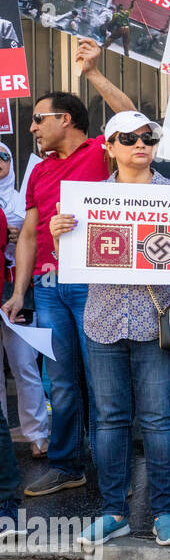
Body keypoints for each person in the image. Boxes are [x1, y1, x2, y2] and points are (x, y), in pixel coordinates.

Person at [50, 112, 170, 548]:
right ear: (109, 146)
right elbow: (72, 256)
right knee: (109, 421)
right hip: (103, 320)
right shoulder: (87, 198)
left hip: (156, 321)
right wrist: (57, 233)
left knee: (159, 420)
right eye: (129, 137)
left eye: (149, 136)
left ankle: (164, 512)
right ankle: (113, 512)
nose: (140, 143)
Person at [4, 39, 134, 497]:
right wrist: (21, 293)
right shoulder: (38, 171)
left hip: (94, 283)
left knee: (103, 382)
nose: (33, 126)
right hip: (50, 285)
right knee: (59, 381)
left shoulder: (101, 151)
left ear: (67, 120)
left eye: (40, 118)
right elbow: (27, 235)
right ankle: (67, 465)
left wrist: (93, 73)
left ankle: (112, 475)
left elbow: (130, 119)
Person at [0, 144, 50, 459]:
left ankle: (37, 434)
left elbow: (37, 236)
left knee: (24, 364)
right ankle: (3, 435)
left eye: (3, 156)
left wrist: (20, 236)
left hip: (17, 290)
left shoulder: (22, 199)